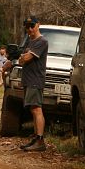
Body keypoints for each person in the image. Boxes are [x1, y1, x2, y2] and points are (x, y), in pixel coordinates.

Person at [16, 15, 48, 152]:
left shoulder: (42, 41)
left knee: (36, 109)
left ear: (38, 25)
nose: (29, 29)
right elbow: (21, 59)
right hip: (28, 80)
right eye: (27, 26)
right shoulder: (29, 41)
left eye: (32, 26)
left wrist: (25, 56)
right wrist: (24, 57)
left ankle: (40, 139)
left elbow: (26, 58)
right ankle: (36, 137)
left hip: (36, 80)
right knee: (32, 109)